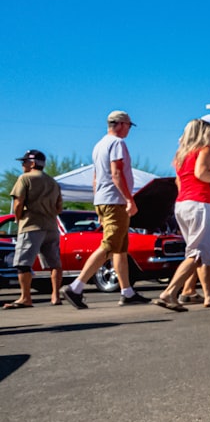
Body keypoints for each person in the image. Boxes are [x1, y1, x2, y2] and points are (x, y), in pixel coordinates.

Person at [60, 111, 152, 309]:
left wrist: (97, 203)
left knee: (120, 248)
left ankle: (127, 291)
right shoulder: (117, 143)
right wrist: (129, 199)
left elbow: (96, 177)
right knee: (110, 245)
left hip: (103, 199)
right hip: (114, 201)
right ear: (119, 124)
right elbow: (116, 173)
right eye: (128, 125)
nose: (129, 129)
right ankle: (76, 286)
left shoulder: (99, 145)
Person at [153, 117, 210, 311]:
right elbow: (201, 173)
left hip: (183, 204)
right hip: (201, 204)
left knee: (205, 253)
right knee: (197, 253)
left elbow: (179, 182)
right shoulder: (205, 150)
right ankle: (169, 292)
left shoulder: (181, 154)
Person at [4, 150, 63, 309]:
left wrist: (18, 217)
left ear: (32, 163)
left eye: (24, 162)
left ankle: (25, 297)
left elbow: (18, 202)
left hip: (31, 225)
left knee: (23, 263)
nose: (22, 165)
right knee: (54, 263)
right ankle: (55, 296)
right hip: (51, 226)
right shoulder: (53, 182)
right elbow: (59, 207)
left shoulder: (25, 178)